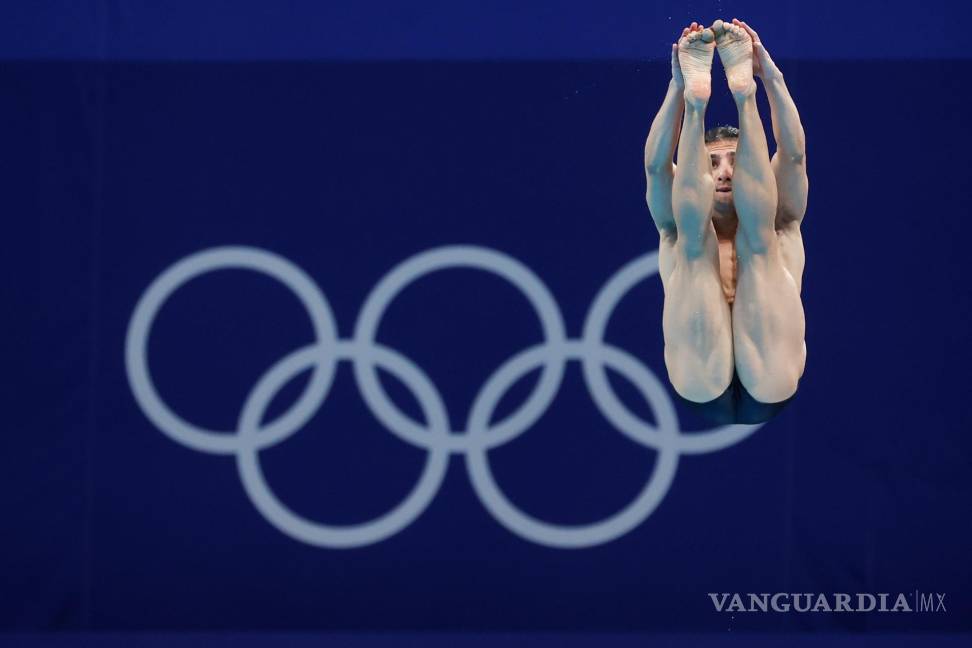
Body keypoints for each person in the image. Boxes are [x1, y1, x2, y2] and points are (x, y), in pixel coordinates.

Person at [644, 19, 807, 424]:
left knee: (760, 237)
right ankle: (700, 107)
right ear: (698, 167)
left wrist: (769, 76)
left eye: (735, 160)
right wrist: (680, 91)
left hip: (771, 370)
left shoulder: (782, 219)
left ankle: (744, 97)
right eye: (712, 162)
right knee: (693, 244)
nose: (724, 173)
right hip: (701, 374)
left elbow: (793, 154)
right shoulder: (677, 225)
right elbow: (657, 169)